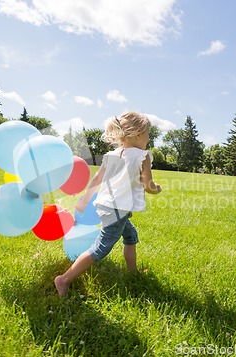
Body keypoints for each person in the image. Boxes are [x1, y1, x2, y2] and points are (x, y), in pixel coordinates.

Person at [54, 111, 162, 297]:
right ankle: (64, 279)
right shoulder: (142, 156)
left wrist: (84, 200)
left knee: (130, 235)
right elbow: (147, 185)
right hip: (118, 209)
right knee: (101, 247)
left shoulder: (111, 155)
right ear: (137, 133)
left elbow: (97, 178)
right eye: (147, 134)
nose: (149, 138)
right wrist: (156, 188)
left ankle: (132, 271)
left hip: (107, 205)